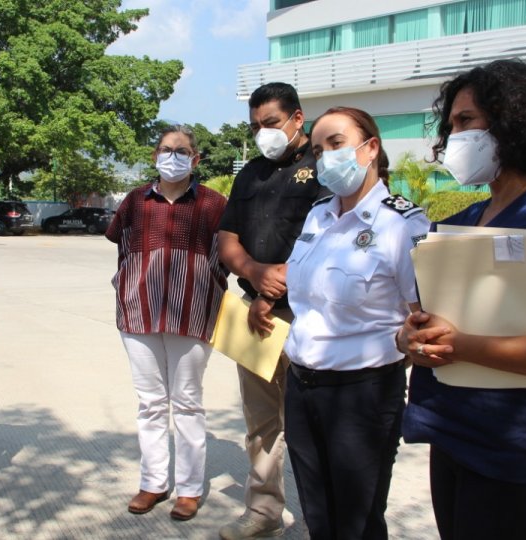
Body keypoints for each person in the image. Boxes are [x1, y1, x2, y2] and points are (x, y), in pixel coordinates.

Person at [398, 59, 526, 540]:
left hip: (512, 453)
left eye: (466, 121)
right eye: (450, 125)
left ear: (513, 121)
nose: (454, 136)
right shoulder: (463, 222)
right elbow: (426, 320)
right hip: (452, 435)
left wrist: (462, 345)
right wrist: (409, 338)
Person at [282, 107, 429, 539]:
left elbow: (424, 314)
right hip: (301, 387)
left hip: (361, 395)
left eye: (336, 144)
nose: (326, 157)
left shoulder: (402, 224)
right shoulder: (318, 215)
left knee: (357, 522)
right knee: (318, 515)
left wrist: (403, 345)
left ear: (371, 148)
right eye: (317, 150)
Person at [217, 82, 330, 539]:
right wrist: (254, 272)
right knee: (261, 422)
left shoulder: (324, 167)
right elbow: (228, 239)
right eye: (255, 126)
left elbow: (327, 240)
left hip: (308, 316)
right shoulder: (249, 174)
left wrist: (274, 288)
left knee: (314, 423)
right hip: (254, 317)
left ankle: (325, 518)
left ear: (297, 119)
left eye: (271, 123)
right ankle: (263, 512)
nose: (262, 133)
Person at [106, 125, 228, 522]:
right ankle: (153, 482)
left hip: (193, 312)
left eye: (181, 151)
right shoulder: (135, 200)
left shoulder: (213, 204)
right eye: (165, 149)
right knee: (150, 402)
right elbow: (119, 244)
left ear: (195, 159)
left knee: (188, 402)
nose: (171, 156)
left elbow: (227, 255)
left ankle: (189, 489)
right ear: (154, 155)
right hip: (138, 311)